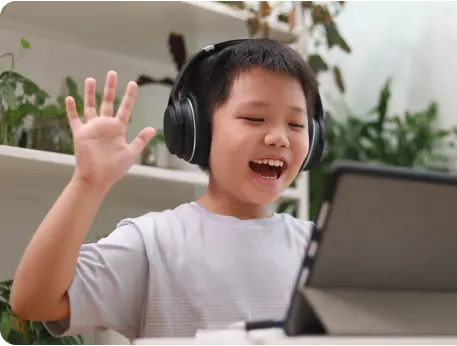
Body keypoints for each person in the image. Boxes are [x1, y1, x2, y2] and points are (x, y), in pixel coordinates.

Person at [9, 39, 320, 341]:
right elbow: (34, 301)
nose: (279, 138)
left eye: (296, 124)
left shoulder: (316, 248)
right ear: (198, 129)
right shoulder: (154, 242)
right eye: (255, 118)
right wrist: (88, 182)